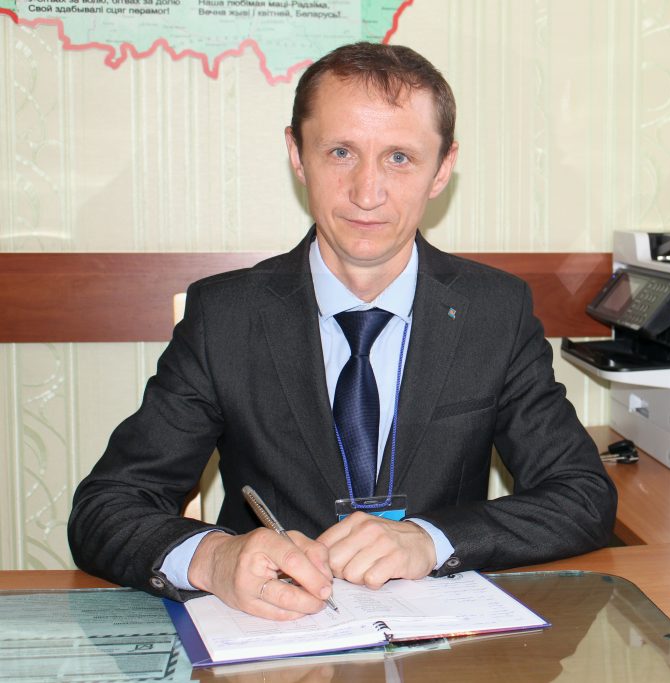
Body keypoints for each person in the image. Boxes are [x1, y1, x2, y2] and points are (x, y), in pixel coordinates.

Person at [67, 41, 616, 621]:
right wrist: (214, 557)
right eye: (340, 152)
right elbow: (106, 507)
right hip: (276, 638)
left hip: (439, 641)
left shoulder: (494, 312)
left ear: (442, 169)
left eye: (399, 157)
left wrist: (432, 540)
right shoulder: (225, 317)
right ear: (297, 155)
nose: (366, 192)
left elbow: (581, 496)